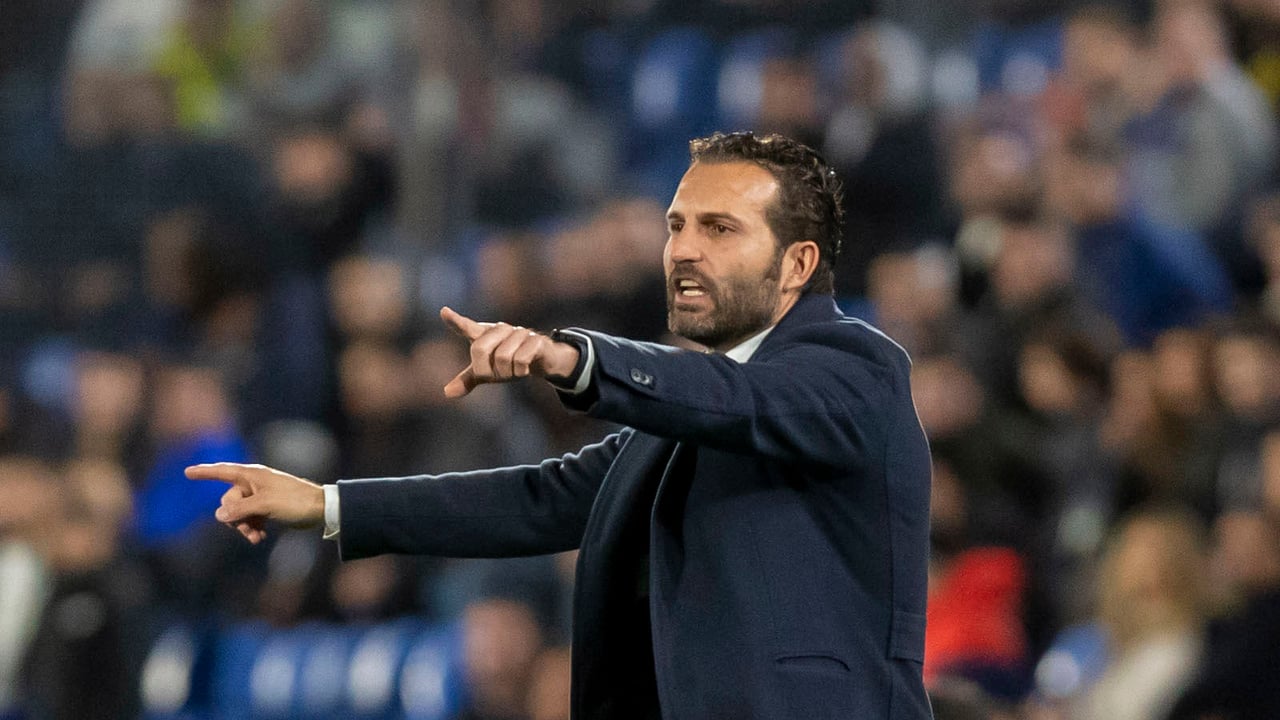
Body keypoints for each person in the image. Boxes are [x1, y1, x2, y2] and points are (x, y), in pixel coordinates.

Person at [187, 131, 934, 720]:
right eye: (676, 226)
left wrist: (573, 358)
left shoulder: (857, 368)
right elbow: (536, 500)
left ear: (797, 263)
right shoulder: (686, 413)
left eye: (719, 228)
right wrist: (327, 504)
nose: (683, 249)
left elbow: (744, 402)